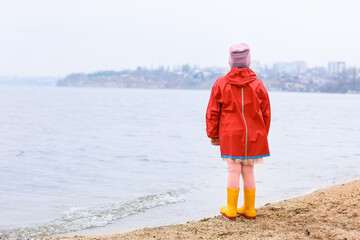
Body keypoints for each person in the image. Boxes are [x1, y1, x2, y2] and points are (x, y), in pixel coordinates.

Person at [206, 43, 271, 220]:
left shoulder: (221, 83)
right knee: (248, 170)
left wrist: (213, 134)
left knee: (233, 170)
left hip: (230, 134)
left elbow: (213, 111)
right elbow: (266, 111)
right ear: (248, 61)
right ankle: (249, 209)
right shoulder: (257, 84)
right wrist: (262, 133)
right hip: (253, 135)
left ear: (230, 62)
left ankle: (232, 208)